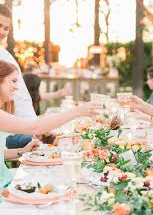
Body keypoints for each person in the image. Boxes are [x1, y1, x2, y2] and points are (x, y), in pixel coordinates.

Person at [0, 60, 101, 189]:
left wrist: (21, 151)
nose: (17, 87)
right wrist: (77, 111)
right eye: (13, 81)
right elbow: (35, 127)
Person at [0, 4, 36, 149]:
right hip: (12, 131)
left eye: (6, 28)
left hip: (24, 124)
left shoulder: (5, 55)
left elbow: (20, 97)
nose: (2, 31)